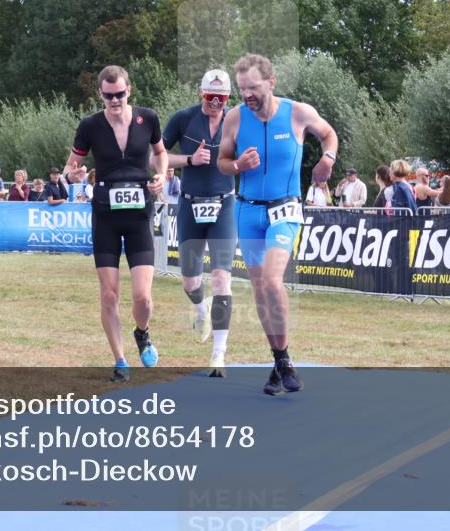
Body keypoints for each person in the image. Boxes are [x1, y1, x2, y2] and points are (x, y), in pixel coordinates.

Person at [218, 54, 338, 396]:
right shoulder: (235, 118)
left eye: (253, 88)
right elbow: (222, 162)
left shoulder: (297, 112)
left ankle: (282, 360)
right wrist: (237, 165)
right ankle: (280, 360)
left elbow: (328, 134)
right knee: (260, 289)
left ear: (271, 82)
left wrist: (328, 158)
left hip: (284, 209)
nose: (247, 95)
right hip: (247, 211)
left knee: (272, 282)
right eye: (242, 89)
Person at [60, 65, 167, 382]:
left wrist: (161, 175)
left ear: (128, 90)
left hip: (139, 215)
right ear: (100, 95)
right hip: (105, 216)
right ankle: (120, 360)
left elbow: (160, 152)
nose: (115, 100)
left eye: (120, 94)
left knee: (143, 298)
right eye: (109, 96)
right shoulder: (90, 125)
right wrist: (73, 175)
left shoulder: (147, 118)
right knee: (109, 296)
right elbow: (70, 168)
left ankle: (142, 332)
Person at [162, 68, 238, 376]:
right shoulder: (183, 119)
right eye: (210, 97)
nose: (216, 103)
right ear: (200, 92)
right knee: (190, 281)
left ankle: (219, 354)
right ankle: (200, 308)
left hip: (224, 205)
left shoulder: (237, 120)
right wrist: (189, 160)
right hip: (190, 204)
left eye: (221, 98)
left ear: (228, 97)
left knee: (221, 279)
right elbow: (157, 158)